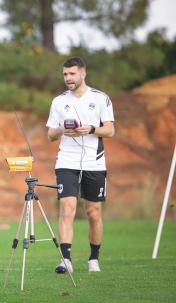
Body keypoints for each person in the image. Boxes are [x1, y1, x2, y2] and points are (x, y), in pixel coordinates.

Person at [46, 57, 115, 274]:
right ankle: (65, 261)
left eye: (72, 74)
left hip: (94, 163)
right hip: (66, 161)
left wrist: (91, 129)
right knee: (67, 208)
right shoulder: (58, 101)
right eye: (65, 74)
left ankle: (94, 259)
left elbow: (110, 131)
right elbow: (50, 135)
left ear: (83, 74)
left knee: (93, 212)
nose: (68, 78)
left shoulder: (100, 98)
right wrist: (61, 130)